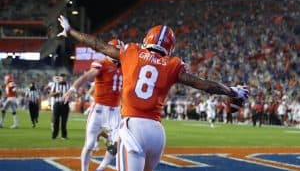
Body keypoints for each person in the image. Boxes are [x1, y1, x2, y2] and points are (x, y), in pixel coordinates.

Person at [57, 15, 249, 171]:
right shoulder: (173, 64)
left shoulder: (131, 52)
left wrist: (70, 31)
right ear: (169, 47)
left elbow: (98, 45)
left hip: (133, 127)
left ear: (147, 39)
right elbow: (204, 85)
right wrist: (232, 91)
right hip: (157, 133)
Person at [63, 38, 123, 171]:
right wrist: (73, 89)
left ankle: (101, 168)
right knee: (89, 144)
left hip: (115, 110)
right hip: (99, 109)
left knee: (117, 144)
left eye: (119, 51)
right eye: (116, 50)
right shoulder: (102, 63)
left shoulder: (125, 66)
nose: (118, 53)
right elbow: (86, 76)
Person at [49, 73, 70, 139]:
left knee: (64, 121)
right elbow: (50, 94)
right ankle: (54, 135)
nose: (63, 78)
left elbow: (71, 95)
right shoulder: (55, 84)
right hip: (57, 104)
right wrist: (57, 92)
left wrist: (68, 96)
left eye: (64, 77)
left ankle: (64, 136)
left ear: (65, 78)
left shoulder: (68, 85)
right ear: (59, 78)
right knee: (56, 120)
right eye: (61, 77)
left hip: (65, 104)